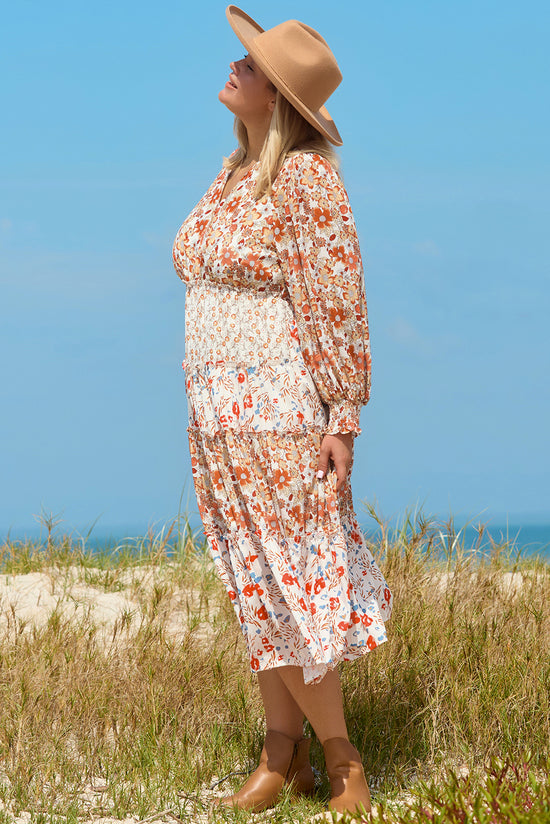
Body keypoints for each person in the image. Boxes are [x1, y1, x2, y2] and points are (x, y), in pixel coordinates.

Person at [173, 5, 392, 818]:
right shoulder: (233, 173)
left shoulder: (306, 179)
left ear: (280, 98)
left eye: (251, 66)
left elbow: (337, 302)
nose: (235, 69)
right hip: (217, 416)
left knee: (298, 582)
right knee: (255, 583)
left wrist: (342, 418)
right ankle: (280, 753)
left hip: (278, 413)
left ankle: (342, 762)